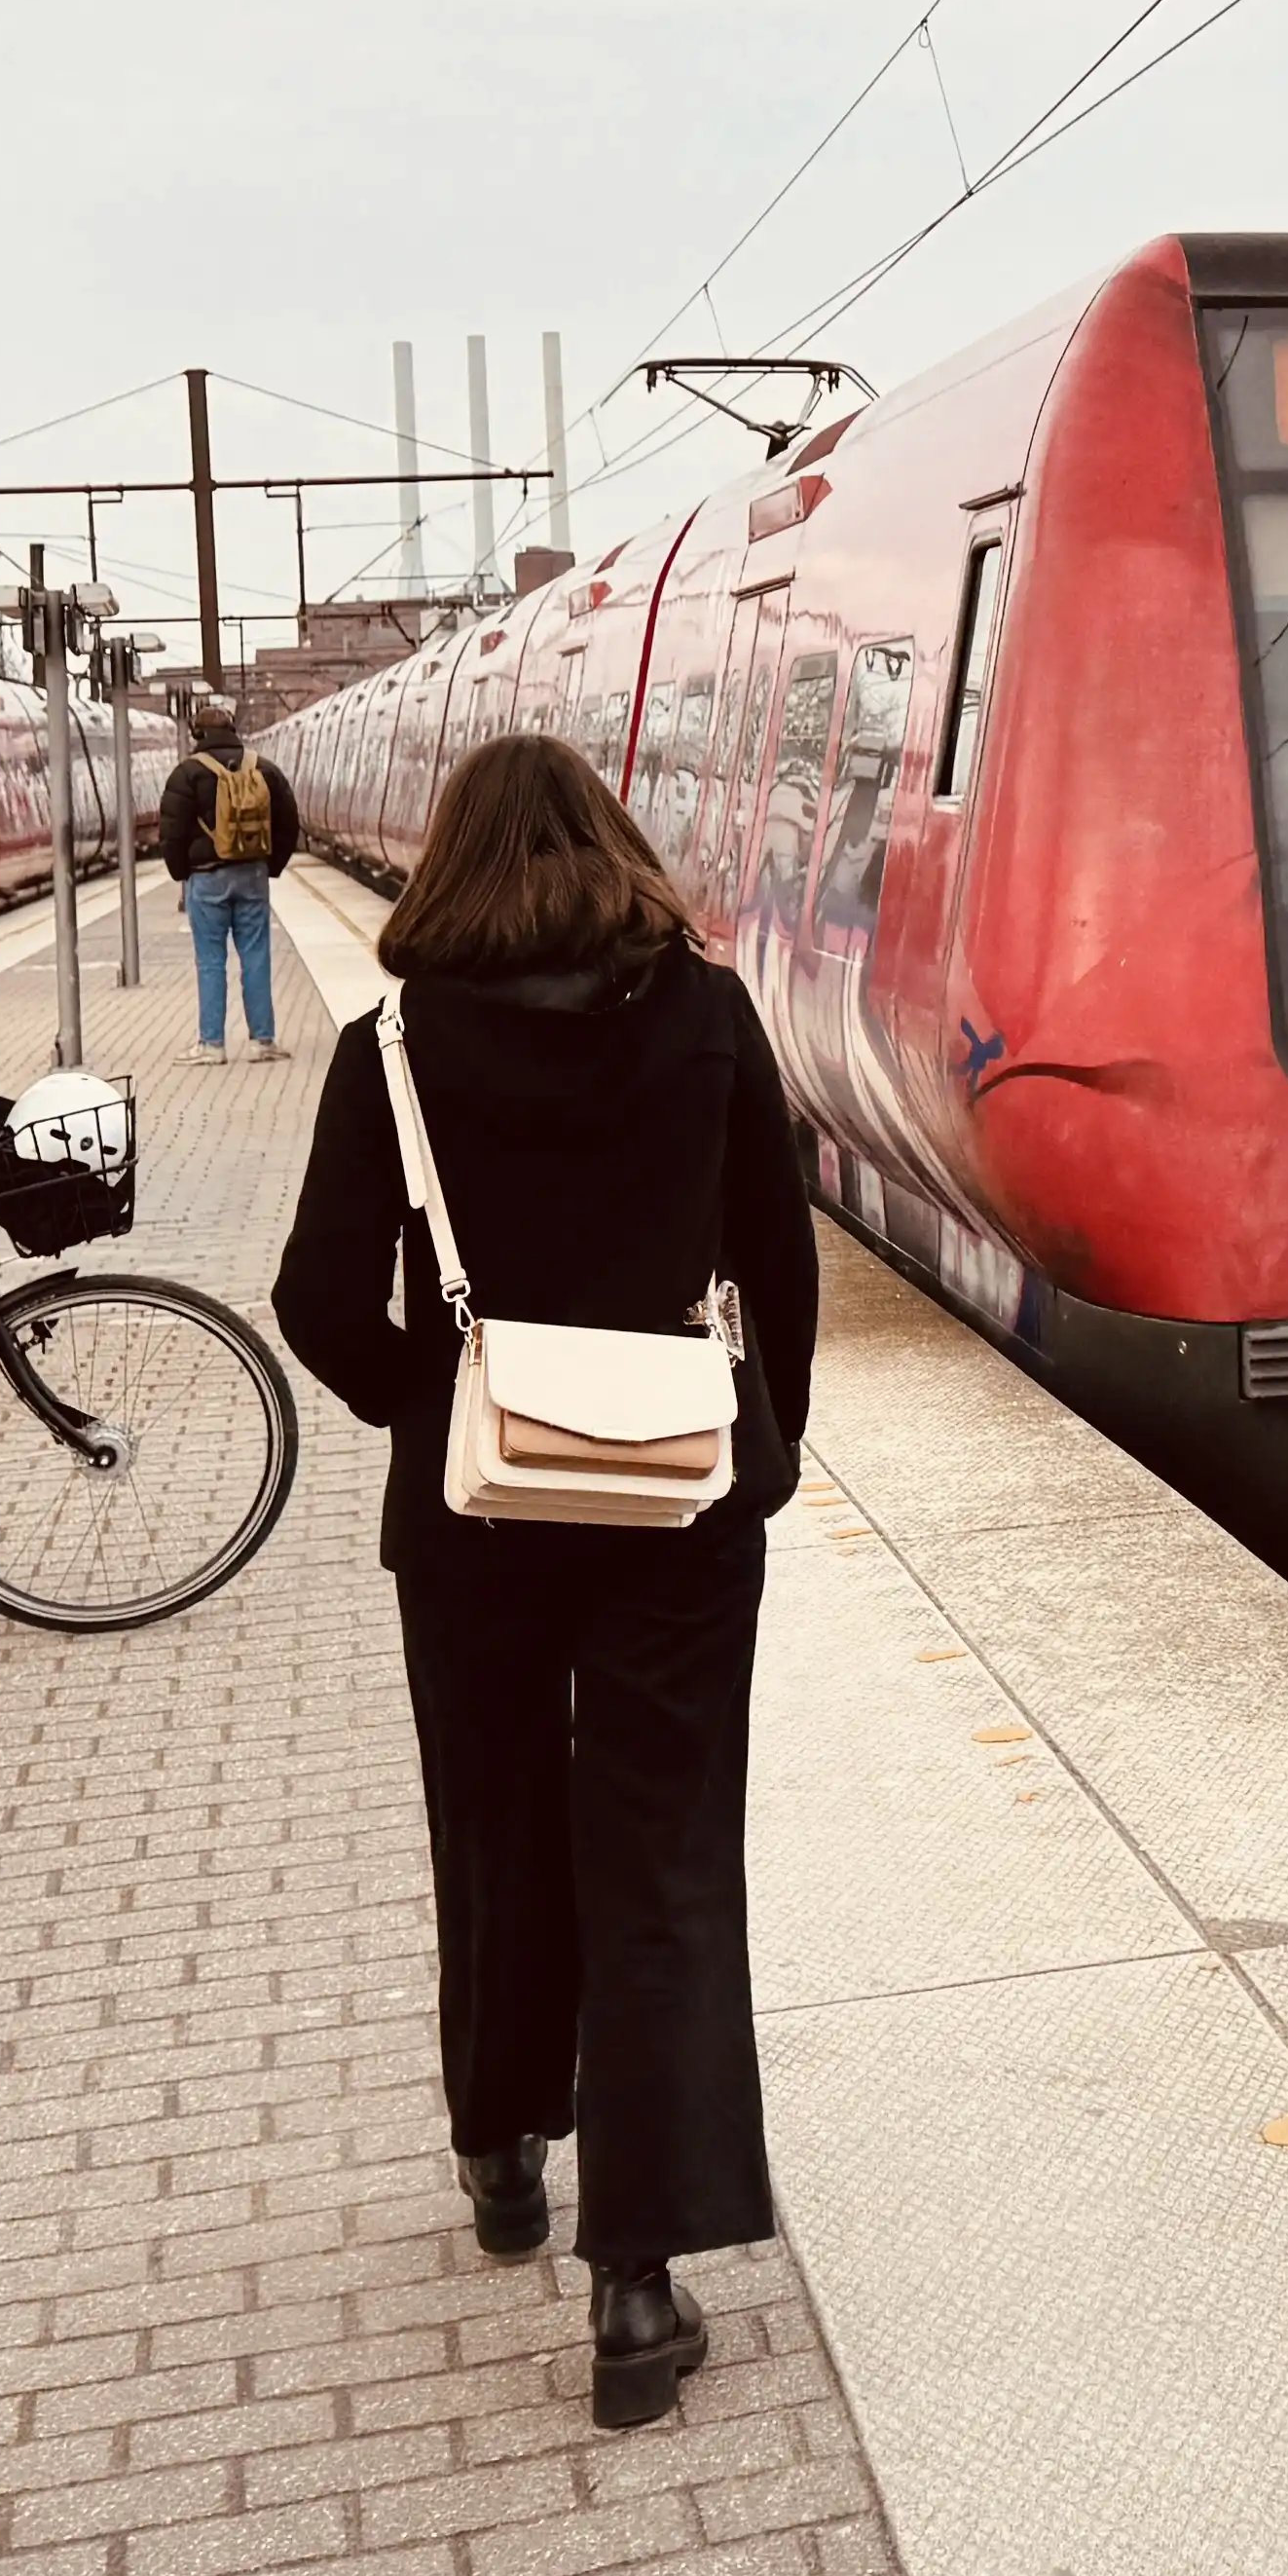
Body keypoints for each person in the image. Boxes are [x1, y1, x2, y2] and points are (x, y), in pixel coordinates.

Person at [271, 730, 816, 2434]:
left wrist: (426, 1400)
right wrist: (764, 1441)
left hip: (475, 1512)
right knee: (659, 1858)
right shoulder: (704, 1014)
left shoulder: (400, 1041)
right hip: (670, 1498)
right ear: (612, 847)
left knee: (496, 1822)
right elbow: (780, 1254)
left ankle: (505, 2154)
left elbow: (310, 1293)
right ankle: (636, 2291)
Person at [157, 707, 302, 1064]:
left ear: (196, 734)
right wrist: (271, 866)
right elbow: (290, 822)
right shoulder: (263, 769)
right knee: (255, 956)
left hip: (206, 876)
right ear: (233, 730)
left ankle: (211, 1045)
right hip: (252, 874)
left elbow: (171, 833)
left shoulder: (187, 774)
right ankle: (263, 1042)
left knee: (210, 961)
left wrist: (182, 873)